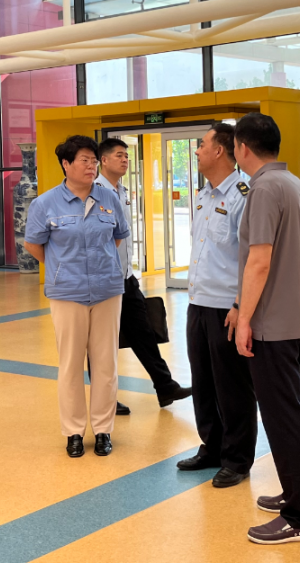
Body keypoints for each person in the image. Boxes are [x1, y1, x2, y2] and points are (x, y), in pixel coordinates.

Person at [231, 113, 300, 545]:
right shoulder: (295, 184)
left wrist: (244, 318)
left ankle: (298, 517)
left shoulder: (264, 189)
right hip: (299, 320)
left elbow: (259, 261)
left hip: (273, 327)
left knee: (284, 419)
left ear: (242, 148)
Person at [24, 136, 129, 458]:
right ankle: (73, 431)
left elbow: (117, 238)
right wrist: (63, 267)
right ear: (66, 164)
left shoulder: (108, 198)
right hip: (67, 292)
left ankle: (103, 430)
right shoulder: (45, 203)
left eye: (93, 161)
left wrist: (97, 266)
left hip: (107, 290)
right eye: (84, 160)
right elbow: (33, 244)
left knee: (106, 364)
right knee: (70, 364)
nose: (91, 166)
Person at [175, 124, 257, 489]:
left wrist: (241, 305)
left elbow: (252, 257)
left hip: (227, 306)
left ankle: (237, 459)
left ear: (220, 151)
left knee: (232, 386)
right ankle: (212, 446)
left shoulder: (243, 196)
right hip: (197, 303)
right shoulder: (203, 196)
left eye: (202, 145)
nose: (196, 151)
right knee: (204, 381)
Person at [95, 138, 190, 415]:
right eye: (119, 155)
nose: (125, 160)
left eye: (126, 156)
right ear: (104, 160)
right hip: (104, 282)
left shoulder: (122, 190)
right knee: (102, 343)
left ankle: (165, 386)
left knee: (144, 332)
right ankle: (105, 399)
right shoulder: (96, 192)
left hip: (126, 278)